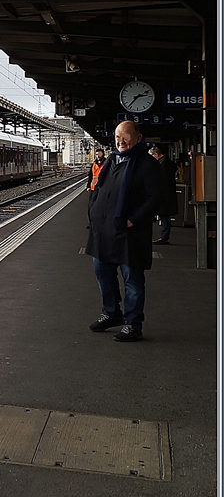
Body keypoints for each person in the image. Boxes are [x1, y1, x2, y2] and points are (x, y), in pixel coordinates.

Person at [86, 120, 164, 342]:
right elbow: (100, 187)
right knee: (103, 273)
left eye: (126, 136)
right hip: (103, 232)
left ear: (138, 138)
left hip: (130, 233)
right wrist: (93, 210)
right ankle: (111, 313)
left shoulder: (147, 164)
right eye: (118, 136)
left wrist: (133, 219)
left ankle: (133, 324)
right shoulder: (111, 160)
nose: (121, 140)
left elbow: (155, 198)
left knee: (132, 280)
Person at [149, 144, 178, 244]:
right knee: (164, 215)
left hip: (165, 195)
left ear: (156, 154)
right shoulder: (166, 163)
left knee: (165, 216)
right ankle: (164, 237)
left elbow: (162, 181)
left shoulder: (163, 165)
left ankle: (164, 238)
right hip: (166, 194)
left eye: (152, 156)